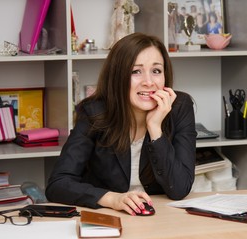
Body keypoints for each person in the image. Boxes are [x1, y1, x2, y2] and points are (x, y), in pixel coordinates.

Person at [46, 33, 197, 216]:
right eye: (136, 71)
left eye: (156, 71)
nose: (149, 82)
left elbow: (179, 189)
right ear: (118, 76)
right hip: (108, 217)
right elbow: (58, 184)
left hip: (161, 218)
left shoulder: (179, 107)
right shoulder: (94, 112)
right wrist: (112, 199)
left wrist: (155, 129)